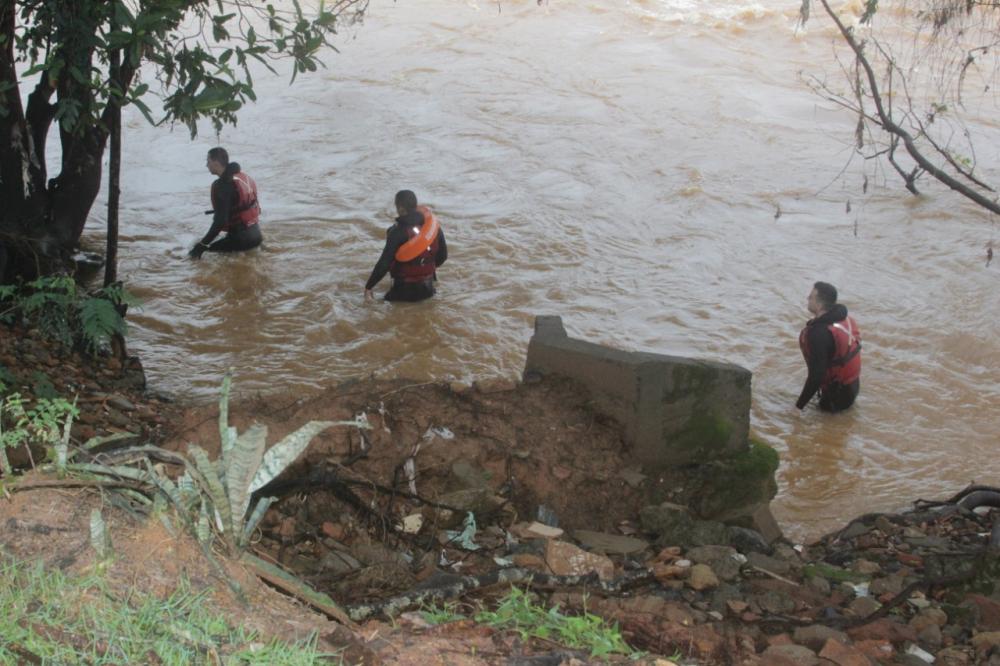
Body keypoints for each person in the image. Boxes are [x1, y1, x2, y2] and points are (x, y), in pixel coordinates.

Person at [364, 190, 447, 302]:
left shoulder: (397, 232)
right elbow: (443, 256)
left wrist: (369, 287)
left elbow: (384, 264)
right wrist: (424, 268)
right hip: (428, 291)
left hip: (402, 293)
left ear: (401, 209)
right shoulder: (434, 229)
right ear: (415, 205)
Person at [796, 281, 862, 412]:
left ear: (819, 304)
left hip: (836, 396)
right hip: (852, 386)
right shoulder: (843, 318)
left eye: (811, 297)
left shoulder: (818, 334)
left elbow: (817, 375)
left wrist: (798, 407)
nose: (807, 299)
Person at [188, 147, 262, 259]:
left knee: (200, 253)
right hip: (257, 236)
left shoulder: (223, 186)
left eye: (208, 161)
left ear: (216, 163)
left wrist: (202, 245)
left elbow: (220, 221)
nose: (206, 165)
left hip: (241, 240)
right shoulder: (240, 177)